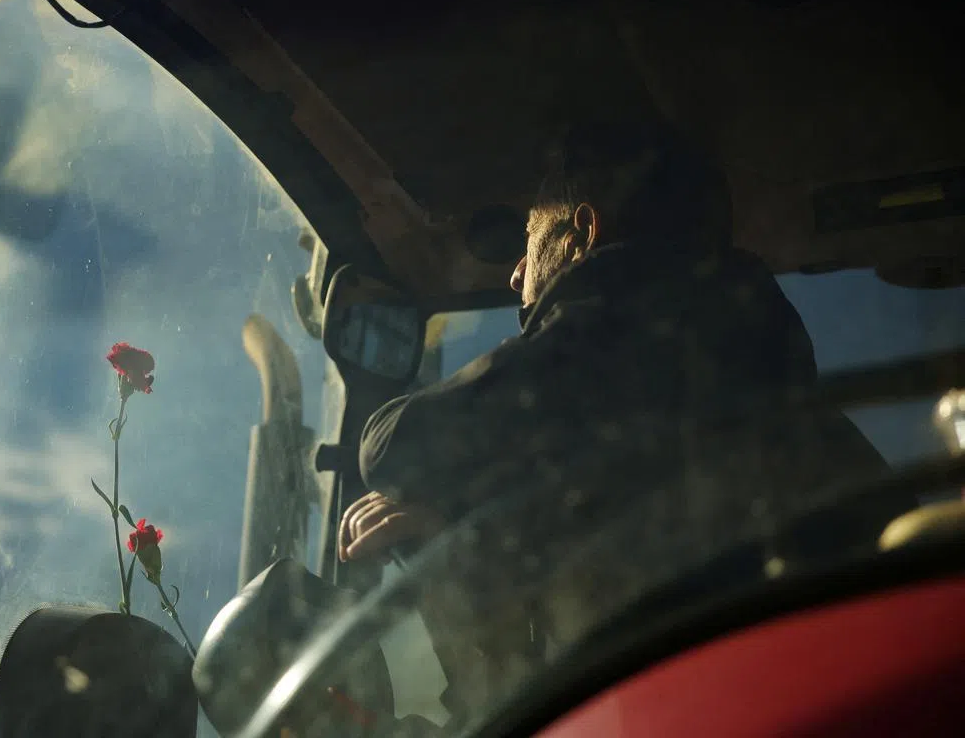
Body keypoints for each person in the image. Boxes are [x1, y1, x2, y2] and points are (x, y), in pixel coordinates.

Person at [335, 123, 912, 683]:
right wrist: (463, 524)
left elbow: (392, 446)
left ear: (581, 233)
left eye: (529, 243)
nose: (515, 275)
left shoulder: (619, 332)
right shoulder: (743, 366)